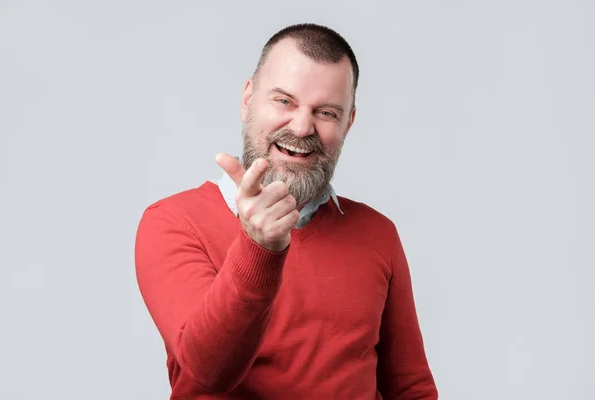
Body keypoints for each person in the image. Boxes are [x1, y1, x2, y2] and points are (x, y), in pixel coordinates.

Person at [134, 23, 438, 399]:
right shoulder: (173, 222)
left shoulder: (378, 234)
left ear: (348, 123)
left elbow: (410, 387)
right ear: (248, 99)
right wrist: (259, 247)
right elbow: (208, 370)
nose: (301, 125)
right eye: (284, 101)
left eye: (326, 112)